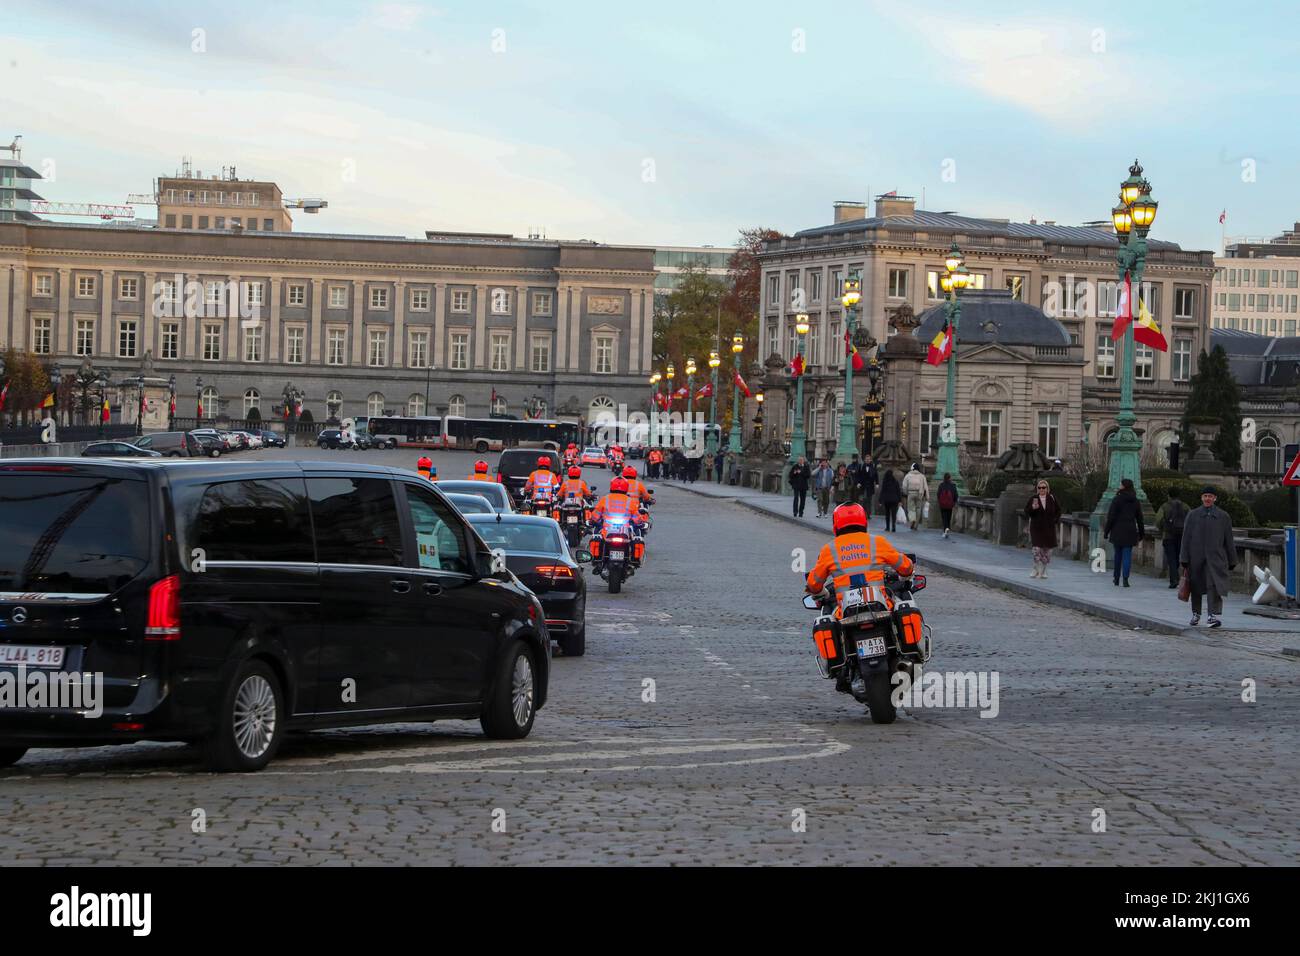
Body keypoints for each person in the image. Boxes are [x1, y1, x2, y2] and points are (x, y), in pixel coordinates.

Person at [1180, 486, 1236, 628]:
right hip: (1196, 557)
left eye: (1210, 496)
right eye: (1205, 496)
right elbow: (1185, 538)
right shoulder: (1192, 515)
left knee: (1214, 586)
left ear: (1215, 498)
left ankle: (1212, 615)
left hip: (1216, 558)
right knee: (1195, 586)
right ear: (1201, 498)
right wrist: (1184, 557)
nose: (1207, 499)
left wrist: (1232, 559)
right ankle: (1196, 613)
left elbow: (1229, 540)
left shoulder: (1224, 517)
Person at [1103, 477, 1145, 587]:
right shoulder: (1135, 501)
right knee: (1127, 555)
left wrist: (1106, 531)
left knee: (1117, 555)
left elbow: (1111, 517)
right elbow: (1140, 519)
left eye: (1121, 484)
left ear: (1124, 486)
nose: (1119, 486)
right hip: (1130, 529)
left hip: (1118, 529)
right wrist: (1141, 533)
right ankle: (1125, 578)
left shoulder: (1117, 499)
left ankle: (1116, 578)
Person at [1024, 478, 1062, 578]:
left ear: (1047, 488)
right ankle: (1036, 568)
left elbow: (1058, 511)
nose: (1041, 489)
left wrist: (1055, 520)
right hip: (1036, 528)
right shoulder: (1033, 498)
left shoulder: (1052, 498)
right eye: (1039, 487)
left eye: (1043, 487)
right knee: (1036, 549)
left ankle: (1044, 570)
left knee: (1047, 551)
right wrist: (1033, 508)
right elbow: (1027, 511)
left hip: (1049, 528)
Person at [1155, 487, 1188, 589]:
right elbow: (1191, 520)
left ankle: (1174, 579)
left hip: (1168, 535)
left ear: (1168, 495)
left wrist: (1163, 529)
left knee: (1171, 558)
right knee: (1178, 557)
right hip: (1182, 536)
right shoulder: (1185, 506)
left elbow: (1158, 520)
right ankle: (1176, 577)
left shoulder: (1164, 506)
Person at [900, 462, 928, 530]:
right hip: (919, 493)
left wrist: (905, 493)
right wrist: (927, 496)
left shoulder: (908, 475)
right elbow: (925, 487)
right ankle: (916, 525)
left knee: (911, 508)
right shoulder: (922, 476)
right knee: (918, 508)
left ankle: (912, 519)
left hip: (911, 493)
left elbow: (904, 486)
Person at [879, 468, 902, 533]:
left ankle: (888, 527)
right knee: (893, 514)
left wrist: (880, 500)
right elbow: (898, 491)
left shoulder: (885, 481)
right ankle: (893, 526)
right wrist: (900, 500)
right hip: (894, 500)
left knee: (887, 514)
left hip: (887, 500)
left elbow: (882, 491)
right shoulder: (895, 481)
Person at [936, 472, 959, 538]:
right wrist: (954, 502)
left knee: (944, 517)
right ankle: (947, 527)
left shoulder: (941, 485)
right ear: (950, 478)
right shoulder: (953, 485)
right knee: (948, 517)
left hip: (942, 505)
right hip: (949, 505)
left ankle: (945, 529)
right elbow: (955, 495)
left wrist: (940, 501)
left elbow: (938, 494)